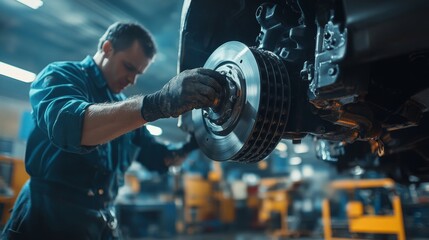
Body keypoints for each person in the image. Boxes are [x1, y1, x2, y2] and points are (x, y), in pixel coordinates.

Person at [1, 21, 223, 239]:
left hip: (100, 220)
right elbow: (72, 126)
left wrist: (196, 141)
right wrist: (157, 104)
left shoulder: (125, 110)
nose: (132, 80)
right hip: (46, 218)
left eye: (138, 73)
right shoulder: (62, 76)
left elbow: (160, 158)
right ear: (107, 48)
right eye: (128, 67)